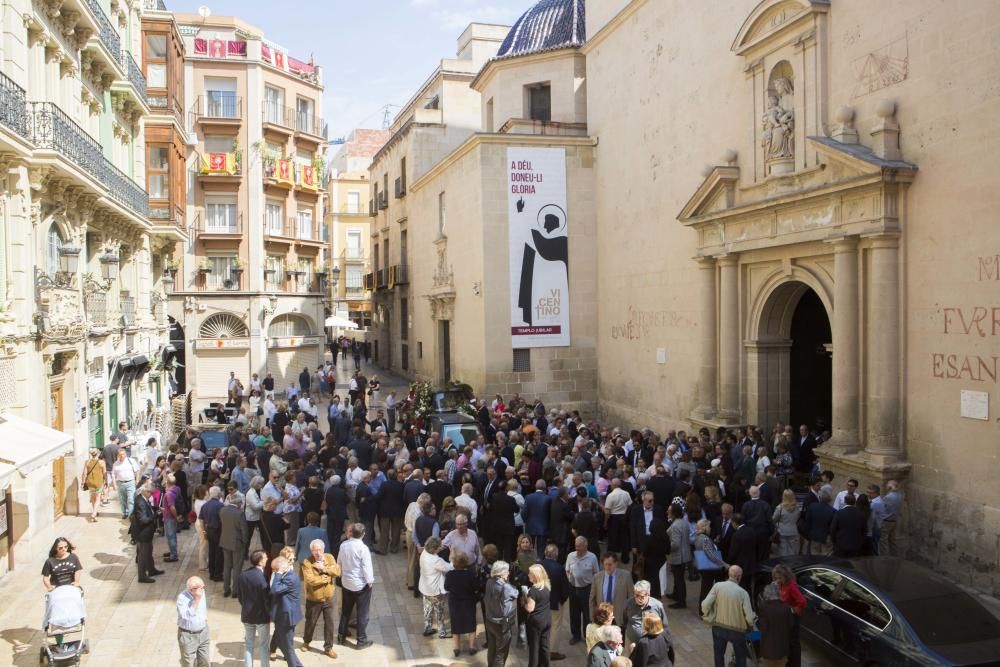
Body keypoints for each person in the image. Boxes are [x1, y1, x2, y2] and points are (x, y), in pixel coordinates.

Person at [700, 566, 756, 667]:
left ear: (729, 574)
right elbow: (749, 618)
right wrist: (752, 625)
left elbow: (705, 604)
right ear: (739, 577)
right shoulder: (743, 593)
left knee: (719, 655)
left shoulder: (717, 586)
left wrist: (708, 614)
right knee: (740, 657)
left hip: (718, 627)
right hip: (737, 631)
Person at [301, 539, 341, 658]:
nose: (317, 553)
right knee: (311, 622)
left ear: (323, 550)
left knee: (329, 623)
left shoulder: (329, 557)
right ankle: (306, 641)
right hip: (314, 599)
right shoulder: (307, 562)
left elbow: (337, 571)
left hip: (329, 598)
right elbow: (310, 580)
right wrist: (325, 579)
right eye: (314, 550)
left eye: (319, 550)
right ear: (311, 551)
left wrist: (324, 569)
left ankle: (328, 647)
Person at [338, 523, 374, 649]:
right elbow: (366, 567)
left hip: (346, 583)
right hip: (360, 585)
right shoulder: (363, 549)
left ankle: (341, 636)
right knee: (362, 613)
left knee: (346, 611)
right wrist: (370, 581)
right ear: (363, 534)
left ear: (351, 533)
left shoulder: (343, 545)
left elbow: (339, 562)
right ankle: (361, 640)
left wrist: (341, 575)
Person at [237, 550, 271, 667]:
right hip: (261, 617)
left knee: (249, 644)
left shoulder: (242, 575)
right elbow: (266, 599)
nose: (267, 559)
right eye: (265, 558)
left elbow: (240, 597)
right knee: (264, 645)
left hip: (247, 615)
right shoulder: (263, 578)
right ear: (261, 561)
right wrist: (270, 614)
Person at [444, 551, 480, 657]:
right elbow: (476, 587)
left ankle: (456, 647)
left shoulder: (450, 574)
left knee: (456, 623)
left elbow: (446, 587)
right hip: (469, 602)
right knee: (471, 623)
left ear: (454, 562)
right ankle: (472, 646)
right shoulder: (471, 574)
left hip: (455, 602)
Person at [565, 536, 600, 646]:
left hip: (587, 588)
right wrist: (569, 580)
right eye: (576, 545)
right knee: (574, 613)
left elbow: (596, 573)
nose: (577, 548)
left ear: (586, 546)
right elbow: (567, 570)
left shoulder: (592, 557)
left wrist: (594, 589)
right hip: (573, 587)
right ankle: (575, 635)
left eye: (579, 546)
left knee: (587, 613)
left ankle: (587, 636)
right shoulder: (570, 556)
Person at [270, 556, 304, 667]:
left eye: (275, 570)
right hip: (283, 616)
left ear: (280, 568)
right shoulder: (287, 575)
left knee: (288, 647)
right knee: (281, 642)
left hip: (286, 617)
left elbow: (275, 590)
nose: (274, 572)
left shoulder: (290, 578)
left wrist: (278, 573)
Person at [484, 560, 519, 667]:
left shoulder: (489, 582)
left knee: (492, 649)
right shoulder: (506, 587)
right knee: (501, 655)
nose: (509, 573)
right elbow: (516, 593)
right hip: (501, 625)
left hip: (490, 621)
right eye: (507, 571)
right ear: (501, 573)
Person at [419, 536, 454, 638]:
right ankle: (442, 632)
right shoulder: (436, 560)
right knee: (439, 612)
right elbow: (450, 568)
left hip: (425, 588)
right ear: (434, 548)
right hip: (435, 590)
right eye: (439, 547)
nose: (440, 548)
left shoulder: (424, 553)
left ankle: (427, 628)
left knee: (427, 609)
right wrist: (451, 555)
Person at [622, 580, 667, 652]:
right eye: (636, 595)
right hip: (632, 643)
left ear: (648, 594)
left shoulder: (657, 606)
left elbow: (664, 625)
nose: (639, 599)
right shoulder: (628, 604)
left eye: (642, 596)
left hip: (650, 645)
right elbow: (624, 620)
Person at [589, 553, 633, 625]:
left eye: (610, 564)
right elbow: (592, 599)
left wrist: (630, 615)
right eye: (605, 564)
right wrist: (592, 617)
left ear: (616, 563)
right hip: (602, 617)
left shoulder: (626, 576)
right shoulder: (597, 577)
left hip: (619, 617)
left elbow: (631, 597)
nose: (607, 567)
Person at [132, 482, 163, 583]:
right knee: (143, 555)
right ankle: (142, 576)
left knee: (148, 552)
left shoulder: (144, 499)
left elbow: (148, 509)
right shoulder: (140, 502)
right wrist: (155, 515)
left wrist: (156, 509)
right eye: (150, 492)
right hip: (142, 533)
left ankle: (151, 570)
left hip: (147, 533)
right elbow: (143, 520)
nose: (151, 495)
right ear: (145, 491)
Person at [523, 563, 553, 667]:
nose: (528, 575)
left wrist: (524, 603)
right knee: (545, 645)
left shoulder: (533, 591)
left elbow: (530, 608)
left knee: (534, 647)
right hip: (547, 619)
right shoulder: (546, 586)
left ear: (536, 576)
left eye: (530, 573)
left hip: (536, 622)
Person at [757, 581, 793, 667]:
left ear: (767, 594)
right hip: (783, 649)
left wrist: (750, 635)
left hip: (769, 651)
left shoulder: (765, 609)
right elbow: (791, 625)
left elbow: (762, 630)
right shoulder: (787, 607)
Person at [177, 576, 210, 667]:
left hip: (203, 632)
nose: (201, 590)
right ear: (191, 589)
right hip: (188, 635)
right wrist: (196, 600)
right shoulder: (182, 598)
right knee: (188, 663)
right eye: (199, 588)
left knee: (205, 661)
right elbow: (186, 616)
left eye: (203, 588)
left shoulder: (202, 592)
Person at [693, 518, 727, 607]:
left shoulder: (698, 537)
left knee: (705, 588)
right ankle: (703, 610)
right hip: (708, 568)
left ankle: (703, 610)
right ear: (704, 527)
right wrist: (724, 564)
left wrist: (714, 542)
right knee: (706, 589)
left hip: (702, 566)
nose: (710, 528)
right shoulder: (705, 539)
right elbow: (711, 555)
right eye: (709, 526)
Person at [220, 493, 249, 598]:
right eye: (241, 502)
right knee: (237, 567)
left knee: (227, 566)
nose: (241, 504)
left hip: (225, 541)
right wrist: (245, 543)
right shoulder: (240, 514)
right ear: (237, 503)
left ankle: (226, 589)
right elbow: (244, 531)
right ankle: (235, 590)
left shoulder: (222, 510)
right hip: (237, 543)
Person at [666, 504, 691, 609]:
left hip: (678, 556)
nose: (667, 512)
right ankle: (676, 594)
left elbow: (675, 544)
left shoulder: (676, 525)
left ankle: (681, 601)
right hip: (684, 554)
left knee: (679, 578)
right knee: (678, 577)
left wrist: (666, 548)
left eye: (669, 511)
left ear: (674, 513)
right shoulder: (684, 522)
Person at [200, 487, 225, 582]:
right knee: (219, 553)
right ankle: (218, 575)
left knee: (211, 552)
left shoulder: (205, 505)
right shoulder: (220, 505)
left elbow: (201, 520)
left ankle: (211, 573)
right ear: (218, 494)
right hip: (218, 531)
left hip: (209, 530)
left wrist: (204, 531)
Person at [111, 447, 139, 519]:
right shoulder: (116, 464)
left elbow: (137, 471)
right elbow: (113, 474)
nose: (122, 456)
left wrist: (137, 480)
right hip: (120, 483)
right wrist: (114, 484)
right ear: (118, 455)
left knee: (130, 499)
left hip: (130, 482)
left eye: (123, 454)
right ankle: (125, 512)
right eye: (120, 454)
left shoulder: (131, 461)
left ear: (125, 454)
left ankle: (131, 515)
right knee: (122, 499)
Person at [772, 489, 801, 557]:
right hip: (793, 530)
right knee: (793, 551)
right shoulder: (797, 507)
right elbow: (797, 518)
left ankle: (784, 566)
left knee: (783, 551)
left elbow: (774, 519)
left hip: (782, 531)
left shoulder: (780, 508)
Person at [81, 449, 105, 523]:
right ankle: (94, 513)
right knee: (98, 498)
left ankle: (95, 515)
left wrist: (82, 483)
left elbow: (84, 473)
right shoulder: (102, 462)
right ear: (97, 453)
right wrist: (106, 482)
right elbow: (104, 473)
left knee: (92, 497)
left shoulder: (87, 462)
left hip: (90, 482)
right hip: (99, 482)